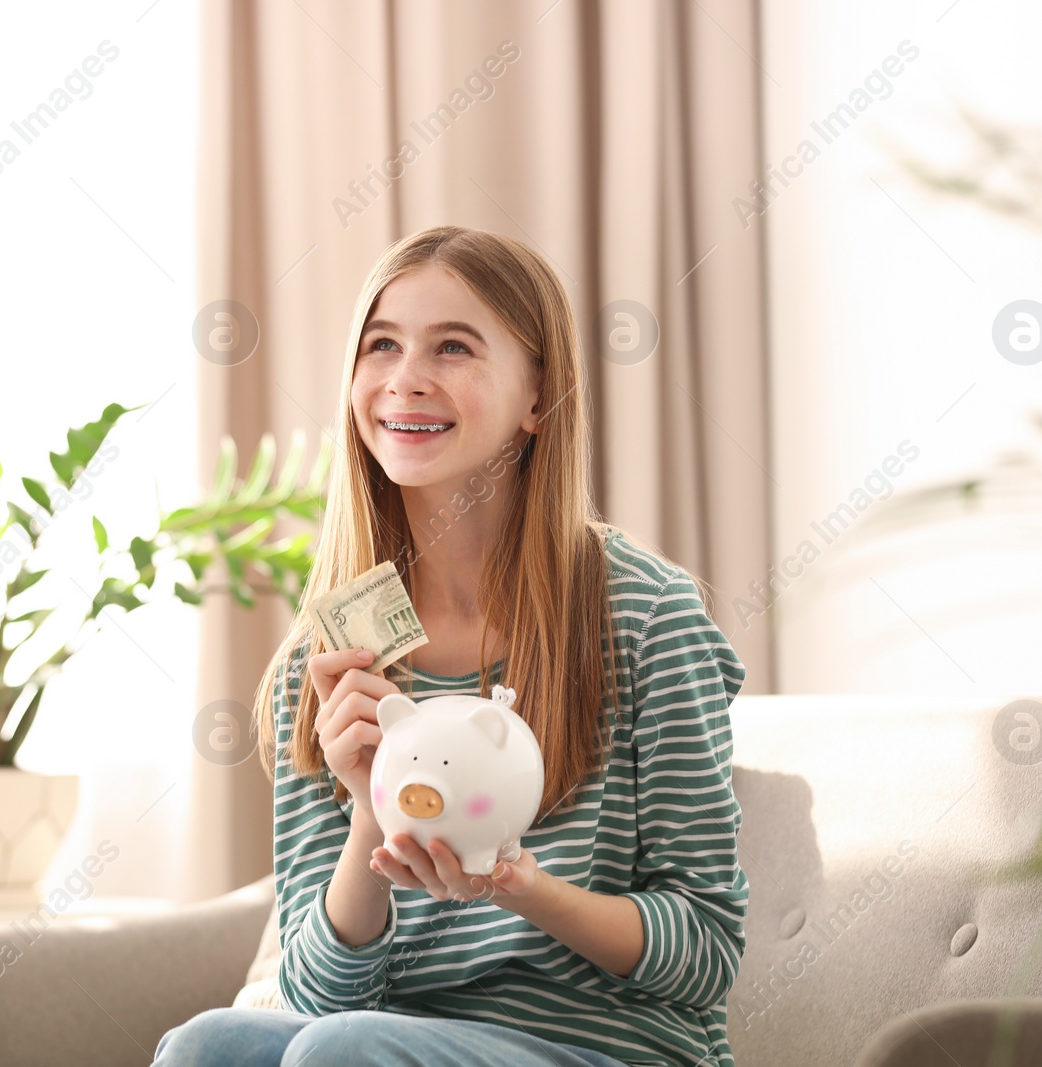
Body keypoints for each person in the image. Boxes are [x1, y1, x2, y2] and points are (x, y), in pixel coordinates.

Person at [152, 224, 748, 1067]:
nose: (405, 380)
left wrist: (521, 885)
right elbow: (318, 994)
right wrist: (369, 802)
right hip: (379, 1042)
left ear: (539, 396)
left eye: (454, 347)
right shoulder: (333, 653)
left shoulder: (645, 615)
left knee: (342, 1054)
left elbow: (706, 952)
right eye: (381, 345)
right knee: (210, 1045)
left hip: (609, 1049)